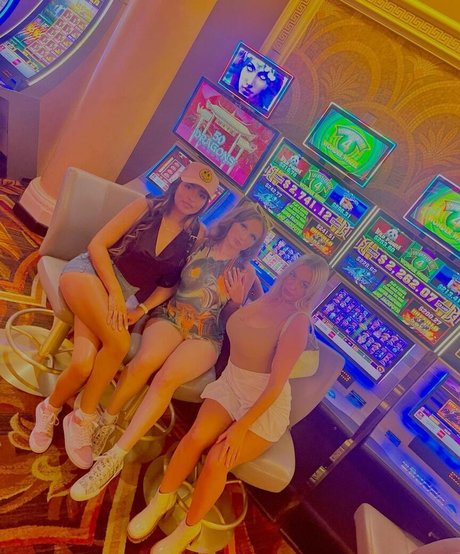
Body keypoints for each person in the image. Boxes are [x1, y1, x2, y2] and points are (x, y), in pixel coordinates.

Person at [124, 253, 330, 553]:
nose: (293, 286)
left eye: (304, 285)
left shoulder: (297, 322)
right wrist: (235, 302)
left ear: (311, 292)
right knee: (195, 437)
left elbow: (275, 385)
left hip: (264, 403)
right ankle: (161, 501)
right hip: (233, 383)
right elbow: (241, 327)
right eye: (294, 276)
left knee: (218, 458)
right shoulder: (266, 296)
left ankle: (188, 529)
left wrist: (240, 427)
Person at [68, 201, 271, 500]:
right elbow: (170, 278)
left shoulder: (246, 273)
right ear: (233, 221)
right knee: (144, 361)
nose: (244, 237)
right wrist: (141, 306)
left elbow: (232, 323)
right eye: (243, 227)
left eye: (252, 236)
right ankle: (106, 421)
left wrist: (237, 303)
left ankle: (114, 457)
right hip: (171, 316)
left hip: (205, 336)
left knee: (166, 379)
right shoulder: (200, 240)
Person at [29, 162, 218, 469]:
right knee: (118, 343)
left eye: (200, 195)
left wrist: (141, 308)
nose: (191, 198)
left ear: (206, 202)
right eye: (188, 187)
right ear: (177, 183)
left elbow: (170, 284)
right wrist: (116, 295)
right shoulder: (146, 206)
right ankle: (83, 417)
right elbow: (97, 245)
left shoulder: (197, 235)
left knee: (82, 364)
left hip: (120, 296)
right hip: (89, 273)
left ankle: (49, 408)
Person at [223, 47, 284, 112]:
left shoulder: (259, 114)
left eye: (262, 77)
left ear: (269, 85)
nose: (250, 82)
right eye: (249, 68)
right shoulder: (223, 90)